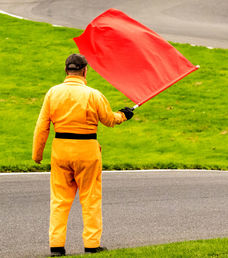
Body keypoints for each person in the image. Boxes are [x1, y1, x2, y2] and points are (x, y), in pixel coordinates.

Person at [32, 54, 134, 257]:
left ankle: (56, 246)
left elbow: (42, 126)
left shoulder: (53, 93)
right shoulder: (93, 94)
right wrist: (123, 114)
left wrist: (37, 154)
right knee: (90, 199)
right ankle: (91, 244)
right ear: (85, 71)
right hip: (87, 150)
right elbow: (108, 120)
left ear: (66, 70)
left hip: (60, 150)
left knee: (59, 200)